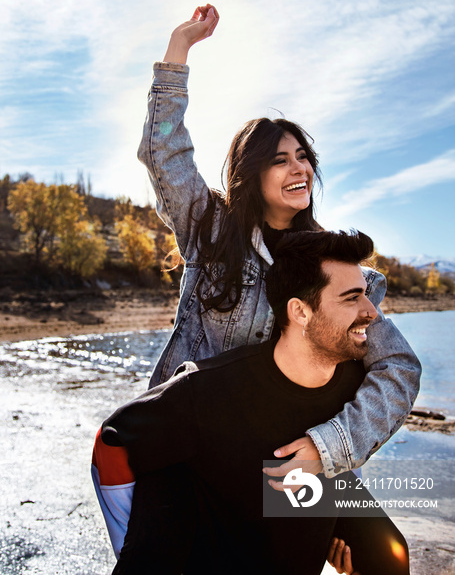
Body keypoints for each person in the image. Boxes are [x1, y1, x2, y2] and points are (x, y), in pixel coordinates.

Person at [137, 3, 420, 475]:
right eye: (280, 159)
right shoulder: (210, 229)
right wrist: (179, 49)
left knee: (384, 549)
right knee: (200, 548)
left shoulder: (331, 264)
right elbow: (162, 153)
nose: (300, 168)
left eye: (304, 156)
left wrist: (330, 448)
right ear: (253, 174)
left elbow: (399, 368)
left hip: (289, 458)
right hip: (201, 444)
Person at [94, 230, 410, 575]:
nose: (372, 313)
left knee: (389, 557)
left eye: (366, 296)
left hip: (295, 498)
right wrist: (133, 543)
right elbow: (111, 439)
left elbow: (399, 374)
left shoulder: (356, 384)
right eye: (352, 299)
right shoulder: (205, 390)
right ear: (300, 312)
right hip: (223, 526)